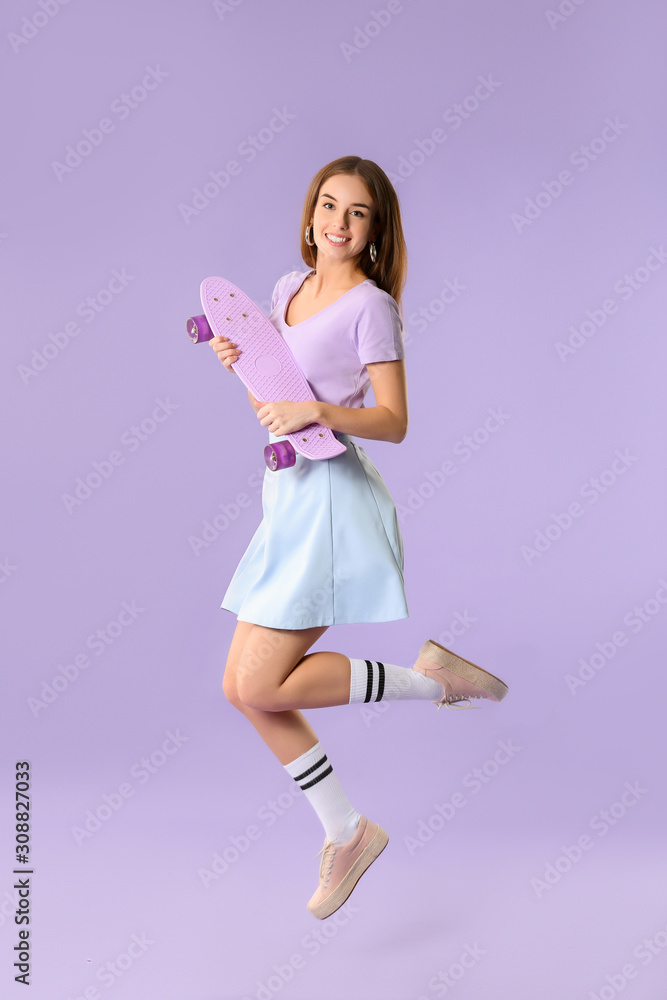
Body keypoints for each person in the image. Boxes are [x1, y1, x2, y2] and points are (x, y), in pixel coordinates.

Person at [210, 156, 509, 921]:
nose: (338, 223)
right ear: (310, 212)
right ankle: (348, 828)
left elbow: (394, 421)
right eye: (329, 206)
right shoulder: (288, 288)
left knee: (258, 685)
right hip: (288, 497)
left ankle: (429, 696)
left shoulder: (371, 306)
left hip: (334, 506)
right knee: (241, 690)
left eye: (358, 213)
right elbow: (281, 381)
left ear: (376, 231)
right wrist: (237, 359)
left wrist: (318, 415)